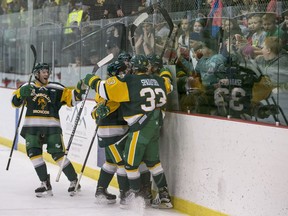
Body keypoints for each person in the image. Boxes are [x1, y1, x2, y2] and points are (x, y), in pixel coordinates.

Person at [84, 54, 173, 209]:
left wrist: (91, 80)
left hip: (139, 128)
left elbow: (104, 88)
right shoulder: (158, 80)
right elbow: (169, 85)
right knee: (153, 162)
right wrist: (165, 71)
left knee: (129, 164)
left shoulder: (129, 82)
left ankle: (135, 196)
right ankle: (164, 196)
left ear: (133, 68)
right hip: (155, 125)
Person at [11, 63, 85, 197]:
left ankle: (74, 180)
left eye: (47, 72)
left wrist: (80, 91)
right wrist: (20, 95)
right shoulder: (27, 87)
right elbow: (15, 103)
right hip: (32, 128)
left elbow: (73, 99)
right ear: (36, 74)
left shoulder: (56, 88)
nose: (46, 74)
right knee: (34, 154)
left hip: (52, 128)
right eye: (43, 72)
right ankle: (45, 182)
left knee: (58, 155)